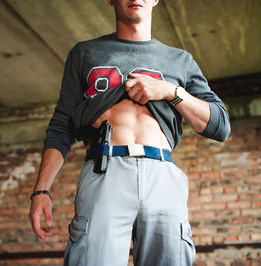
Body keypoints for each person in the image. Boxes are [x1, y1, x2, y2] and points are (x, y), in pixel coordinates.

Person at [29, 0, 230, 265]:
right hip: (104, 171)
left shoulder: (180, 60)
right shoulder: (85, 53)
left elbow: (220, 125)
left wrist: (171, 92)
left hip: (162, 173)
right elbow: (61, 126)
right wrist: (41, 190)